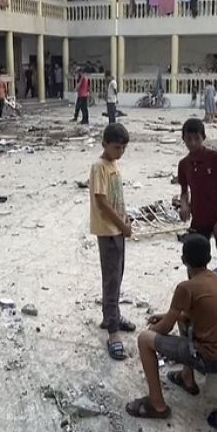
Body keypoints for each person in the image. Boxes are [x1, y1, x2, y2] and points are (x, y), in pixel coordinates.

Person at [125, 233, 217, 418]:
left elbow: (164, 329)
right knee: (182, 318)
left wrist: (152, 331)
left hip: (211, 359)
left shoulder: (186, 287)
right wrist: (168, 315)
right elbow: (192, 313)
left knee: (144, 340)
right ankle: (187, 378)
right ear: (209, 259)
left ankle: (157, 404)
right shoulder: (216, 277)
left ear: (183, 260)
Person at [90, 123, 133, 361]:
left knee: (118, 275)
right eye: (117, 147)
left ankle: (112, 315)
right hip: (108, 232)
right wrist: (121, 224)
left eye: (124, 148)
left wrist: (126, 219)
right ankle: (113, 332)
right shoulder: (99, 167)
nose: (120, 152)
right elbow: (103, 203)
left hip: (117, 229)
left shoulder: (114, 164)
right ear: (105, 144)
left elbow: (117, 199)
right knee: (111, 279)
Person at [178, 118, 217, 266]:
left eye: (196, 138)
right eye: (188, 139)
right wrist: (184, 205)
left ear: (203, 137)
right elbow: (184, 191)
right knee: (195, 261)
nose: (193, 143)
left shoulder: (215, 157)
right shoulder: (184, 164)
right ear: (183, 139)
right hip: (200, 218)